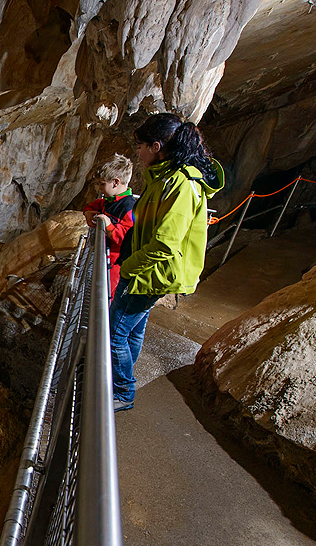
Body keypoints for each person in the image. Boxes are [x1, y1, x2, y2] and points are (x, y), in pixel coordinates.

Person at [111, 112, 224, 412]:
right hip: (147, 269)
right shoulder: (165, 178)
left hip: (150, 272)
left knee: (113, 334)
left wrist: (130, 266)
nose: (137, 151)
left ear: (156, 146)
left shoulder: (182, 185)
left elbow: (165, 242)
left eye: (141, 145)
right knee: (132, 330)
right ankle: (119, 382)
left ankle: (122, 392)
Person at [81, 154, 137, 297]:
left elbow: (127, 238)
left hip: (115, 263)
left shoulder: (128, 208)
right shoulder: (110, 199)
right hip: (103, 257)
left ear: (115, 182)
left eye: (102, 183)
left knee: (107, 295)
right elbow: (97, 204)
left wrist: (109, 226)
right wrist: (88, 212)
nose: (100, 188)